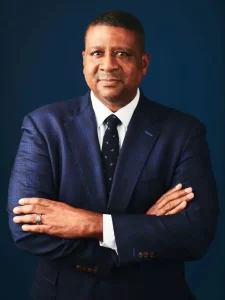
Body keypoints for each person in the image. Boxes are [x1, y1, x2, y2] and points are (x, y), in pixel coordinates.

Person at [7, 10, 218, 300]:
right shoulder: (42, 126)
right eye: (97, 53)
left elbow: (195, 235)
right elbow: (27, 229)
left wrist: (92, 224)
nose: (108, 65)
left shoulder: (184, 132)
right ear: (83, 61)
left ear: (143, 64)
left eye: (122, 54)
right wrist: (140, 229)